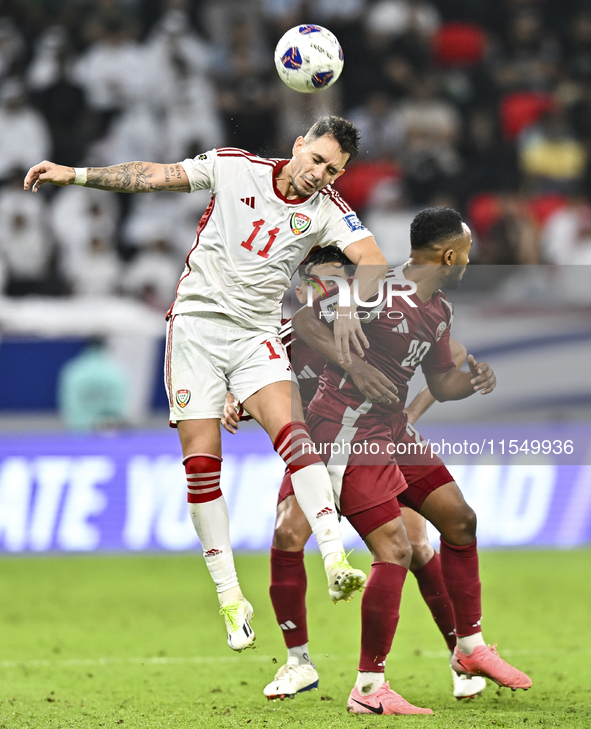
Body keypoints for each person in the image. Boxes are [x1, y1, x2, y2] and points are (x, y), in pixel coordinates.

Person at [24, 116, 388, 653]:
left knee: (295, 434)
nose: (319, 175)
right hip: (195, 329)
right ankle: (231, 600)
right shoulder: (233, 167)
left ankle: (335, 557)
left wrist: (351, 307)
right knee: (201, 464)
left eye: (333, 170)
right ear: (297, 146)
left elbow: (375, 262)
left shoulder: (329, 212)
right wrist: (74, 174)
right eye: (316, 160)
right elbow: (150, 175)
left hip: (255, 337)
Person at [290, 207, 532, 715]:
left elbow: (441, 382)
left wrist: (471, 382)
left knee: (459, 520)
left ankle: (470, 650)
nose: (470, 259)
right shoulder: (377, 289)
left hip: (392, 429)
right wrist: (352, 363)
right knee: (396, 550)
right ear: (449, 255)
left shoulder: (439, 309)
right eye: (467, 251)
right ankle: (369, 688)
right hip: (347, 429)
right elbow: (305, 319)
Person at [222, 246, 486, 702]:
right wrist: (234, 397)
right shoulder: (284, 338)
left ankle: (460, 657)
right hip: (316, 452)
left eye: (338, 282)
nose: (330, 291)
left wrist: (409, 412)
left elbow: (448, 355)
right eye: (321, 282)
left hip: (374, 444)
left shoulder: (368, 317)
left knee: (416, 547)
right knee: (286, 534)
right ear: (304, 287)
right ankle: (297, 663)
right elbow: (251, 381)